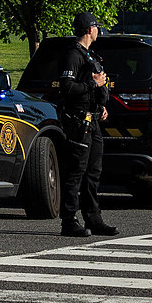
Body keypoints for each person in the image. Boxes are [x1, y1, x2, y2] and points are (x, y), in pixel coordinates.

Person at [54, 13, 117, 239]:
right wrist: (94, 83)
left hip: (94, 121)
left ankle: (94, 218)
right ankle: (69, 221)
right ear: (90, 29)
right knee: (75, 172)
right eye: (97, 27)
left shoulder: (89, 55)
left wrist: (101, 106)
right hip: (79, 122)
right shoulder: (73, 55)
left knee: (93, 173)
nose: (98, 30)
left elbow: (95, 90)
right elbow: (67, 88)